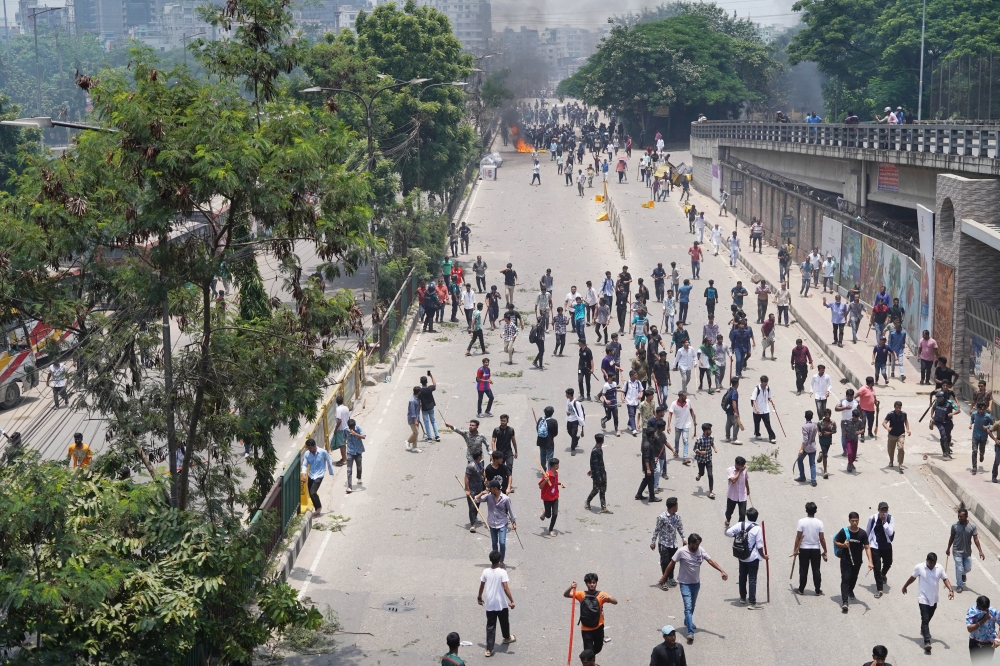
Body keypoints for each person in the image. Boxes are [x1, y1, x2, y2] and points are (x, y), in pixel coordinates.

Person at [657, 534, 729, 643]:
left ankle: (687, 621)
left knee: (692, 606)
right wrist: (664, 577)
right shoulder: (681, 551)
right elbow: (672, 563)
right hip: (685, 584)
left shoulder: (700, 550)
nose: (697, 546)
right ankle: (690, 632)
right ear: (690, 543)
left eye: (699, 544)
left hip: (696, 584)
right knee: (688, 607)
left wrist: (722, 570)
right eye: (695, 544)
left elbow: (710, 561)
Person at [901, 552, 953, 654]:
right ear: (926, 561)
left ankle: (923, 629)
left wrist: (951, 590)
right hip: (923, 598)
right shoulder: (919, 567)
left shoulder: (939, 567)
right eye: (930, 563)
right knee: (925, 619)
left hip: (934, 598)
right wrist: (905, 586)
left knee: (928, 617)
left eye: (934, 563)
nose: (932, 565)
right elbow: (912, 578)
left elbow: (945, 579)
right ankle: (927, 642)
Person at [725, 507, 768, 609]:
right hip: (752, 558)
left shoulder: (741, 524)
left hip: (742, 556)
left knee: (742, 577)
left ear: (747, 516)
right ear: (756, 517)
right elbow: (759, 546)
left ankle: (743, 597)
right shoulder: (757, 529)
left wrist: (737, 536)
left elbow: (728, 532)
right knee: (752, 579)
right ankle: (752, 602)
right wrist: (764, 556)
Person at [565, 574, 618, 656]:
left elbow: (615, 602)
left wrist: (608, 599)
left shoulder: (601, 594)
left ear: (596, 583)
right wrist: (571, 587)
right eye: (589, 583)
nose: (592, 584)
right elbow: (566, 595)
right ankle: (589, 661)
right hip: (586, 629)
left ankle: (590, 660)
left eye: (593, 582)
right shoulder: (581, 594)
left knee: (598, 648)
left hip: (598, 627)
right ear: (586, 584)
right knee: (588, 652)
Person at [478, 549, 516, 657]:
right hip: (501, 603)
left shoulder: (485, 571)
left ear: (490, 560)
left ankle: (489, 649)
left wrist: (479, 597)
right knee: (504, 622)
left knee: (491, 626)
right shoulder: (502, 572)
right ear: (499, 560)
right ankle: (507, 637)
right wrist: (512, 601)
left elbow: (482, 585)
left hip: (490, 603)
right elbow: (505, 588)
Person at [834, 512, 874, 613]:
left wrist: (870, 561)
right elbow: (836, 541)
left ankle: (850, 590)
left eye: (856, 520)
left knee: (854, 577)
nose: (855, 522)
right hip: (845, 560)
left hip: (857, 561)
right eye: (853, 521)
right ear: (849, 521)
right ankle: (844, 602)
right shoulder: (844, 531)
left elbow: (867, 547)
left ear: (859, 520)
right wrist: (843, 545)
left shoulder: (862, 533)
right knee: (845, 579)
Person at [476, 479, 517, 566]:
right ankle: (495, 561)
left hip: (502, 523)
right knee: (494, 543)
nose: (489, 490)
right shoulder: (488, 496)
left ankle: (501, 560)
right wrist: (482, 493)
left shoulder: (506, 499)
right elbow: (476, 499)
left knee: (502, 542)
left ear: (495, 488)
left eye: (490, 488)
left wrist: (514, 523)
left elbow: (511, 510)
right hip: (492, 524)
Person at [792, 501, 828, 595]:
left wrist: (795, 550)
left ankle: (801, 589)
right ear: (815, 511)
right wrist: (825, 550)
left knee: (803, 569)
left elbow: (798, 537)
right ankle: (817, 590)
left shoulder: (801, 521)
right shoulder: (819, 523)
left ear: (806, 510)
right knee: (816, 569)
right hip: (816, 549)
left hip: (804, 548)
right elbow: (822, 538)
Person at [948, 508, 987, 593]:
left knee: (968, 568)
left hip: (967, 552)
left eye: (961, 516)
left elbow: (976, 539)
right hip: (957, 551)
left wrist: (980, 551)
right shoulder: (955, 526)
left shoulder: (972, 526)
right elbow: (951, 538)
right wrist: (948, 548)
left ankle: (963, 574)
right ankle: (959, 585)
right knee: (959, 568)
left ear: (966, 516)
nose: (959, 518)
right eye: (958, 516)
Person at [651, 496, 686, 587]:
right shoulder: (662, 517)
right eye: (677, 504)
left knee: (672, 561)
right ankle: (664, 580)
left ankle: (671, 577)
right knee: (665, 562)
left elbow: (680, 528)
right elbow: (656, 529)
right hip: (664, 544)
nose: (678, 506)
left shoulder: (677, 516)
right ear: (673, 506)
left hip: (673, 544)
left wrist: (684, 538)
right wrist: (653, 542)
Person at [300, 437, 335, 514]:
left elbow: (329, 461)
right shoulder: (307, 454)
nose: (310, 450)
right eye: (308, 448)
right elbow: (305, 464)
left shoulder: (323, 452)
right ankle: (317, 508)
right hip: (311, 474)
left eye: (311, 448)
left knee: (313, 492)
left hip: (319, 474)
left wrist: (331, 472)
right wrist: (303, 474)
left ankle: (318, 508)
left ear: (314, 446)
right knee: (310, 492)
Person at [966, 595, 1000, 660]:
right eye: (981, 608)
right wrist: (984, 619)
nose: (983, 610)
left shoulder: (994, 612)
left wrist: (998, 638)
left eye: (985, 609)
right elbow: (969, 629)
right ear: (977, 605)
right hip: (975, 643)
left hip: (988, 644)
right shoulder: (972, 611)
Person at [636, 418, 662, 502]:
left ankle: (639, 494)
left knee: (647, 479)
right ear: (651, 435)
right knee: (650, 481)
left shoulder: (649, 441)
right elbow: (646, 458)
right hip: (648, 466)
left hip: (651, 464)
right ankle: (652, 497)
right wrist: (648, 469)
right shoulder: (647, 445)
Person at [930, 389, 961, 458]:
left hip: (948, 422)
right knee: (943, 436)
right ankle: (945, 452)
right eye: (937, 398)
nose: (938, 399)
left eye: (939, 398)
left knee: (948, 436)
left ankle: (948, 448)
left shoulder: (950, 403)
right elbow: (933, 408)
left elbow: (958, 410)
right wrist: (932, 415)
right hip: (939, 422)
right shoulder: (936, 403)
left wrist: (952, 413)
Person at [667, 391, 696, 464]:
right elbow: (670, 414)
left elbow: (691, 410)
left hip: (686, 425)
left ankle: (685, 457)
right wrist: (668, 425)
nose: (686, 397)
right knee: (677, 439)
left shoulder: (688, 402)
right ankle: (676, 450)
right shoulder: (674, 404)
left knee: (685, 441)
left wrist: (694, 420)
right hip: (678, 425)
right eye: (684, 396)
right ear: (680, 397)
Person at [586, 433, 612, 513]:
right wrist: (598, 476)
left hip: (602, 472)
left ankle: (603, 507)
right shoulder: (595, 451)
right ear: (602, 441)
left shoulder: (599, 449)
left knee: (603, 490)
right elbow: (594, 464)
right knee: (596, 490)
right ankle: (588, 501)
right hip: (598, 474)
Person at [538, 458, 564, 536]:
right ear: (555, 465)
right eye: (558, 464)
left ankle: (550, 530)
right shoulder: (547, 474)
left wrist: (561, 483)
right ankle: (545, 511)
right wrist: (545, 480)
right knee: (548, 515)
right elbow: (540, 486)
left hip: (555, 496)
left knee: (555, 514)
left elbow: (555, 482)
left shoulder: (556, 473)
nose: (558, 466)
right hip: (547, 497)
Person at [883, 400, 910, 472]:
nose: (898, 409)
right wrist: (887, 428)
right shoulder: (890, 414)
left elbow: (906, 421)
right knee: (891, 450)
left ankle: (900, 463)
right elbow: (884, 422)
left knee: (901, 448)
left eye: (900, 408)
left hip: (901, 433)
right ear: (894, 407)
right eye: (897, 407)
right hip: (892, 434)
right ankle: (891, 461)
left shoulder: (904, 414)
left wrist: (908, 429)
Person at [464, 450, 486, 532]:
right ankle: (472, 524)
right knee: (472, 507)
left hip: (479, 489)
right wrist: (467, 489)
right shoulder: (471, 466)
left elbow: (483, 472)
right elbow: (466, 478)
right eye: (481, 455)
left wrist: (485, 479)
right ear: (479, 456)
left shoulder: (480, 464)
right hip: (472, 490)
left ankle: (475, 518)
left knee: (477, 505)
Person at [750, 375, 777, 443]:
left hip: (765, 410)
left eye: (766, 382)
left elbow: (769, 397)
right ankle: (757, 433)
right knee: (756, 423)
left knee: (767, 423)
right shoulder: (757, 389)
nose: (766, 384)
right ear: (762, 382)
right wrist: (756, 409)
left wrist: (772, 402)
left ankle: (771, 437)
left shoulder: (767, 388)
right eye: (765, 383)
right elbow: (753, 400)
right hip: (758, 410)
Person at [724, 456, 749, 527]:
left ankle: (739, 528)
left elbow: (746, 479)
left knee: (742, 514)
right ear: (737, 465)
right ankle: (728, 519)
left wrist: (748, 489)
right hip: (732, 496)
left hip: (742, 495)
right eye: (742, 466)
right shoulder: (730, 470)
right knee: (729, 512)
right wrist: (740, 471)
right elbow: (733, 480)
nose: (743, 467)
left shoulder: (744, 470)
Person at [795, 410, 818, 486]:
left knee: (800, 460)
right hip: (813, 446)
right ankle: (813, 480)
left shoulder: (804, 427)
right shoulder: (815, 425)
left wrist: (801, 448)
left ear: (805, 417)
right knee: (812, 464)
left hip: (806, 447)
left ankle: (802, 476)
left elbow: (805, 439)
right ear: (812, 417)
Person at [971, 402, 994, 476]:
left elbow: (992, 424)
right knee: (974, 451)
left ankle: (982, 454)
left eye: (983, 410)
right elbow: (972, 419)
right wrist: (970, 424)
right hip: (975, 435)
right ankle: (974, 467)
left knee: (982, 450)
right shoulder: (974, 414)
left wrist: (987, 427)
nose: (981, 411)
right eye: (980, 409)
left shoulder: (988, 416)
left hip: (983, 436)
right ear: (977, 408)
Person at [491, 413, 518, 477]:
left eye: (504, 421)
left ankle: (509, 483)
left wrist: (516, 451)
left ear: (507, 421)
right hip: (499, 453)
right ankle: (502, 482)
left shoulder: (511, 430)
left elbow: (513, 441)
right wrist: (494, 452)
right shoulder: (496, 430)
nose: (502, 422)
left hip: (509, 452)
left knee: (509, 466)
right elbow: (493, 441)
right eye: (501, 420)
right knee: (500, 468)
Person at [344, 419, 365, 493]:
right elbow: (344, 436)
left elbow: (364, 436)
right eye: (350, 428)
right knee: (349, 469)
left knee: (359, 466)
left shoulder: (358, 428)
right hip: (350, 451)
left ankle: (359, 477)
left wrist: (355, 434)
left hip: (358, 450)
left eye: (352, 427)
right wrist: (345, 440)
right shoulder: (346, 430)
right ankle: (349, 487)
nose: (351, 429)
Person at [535, 406, 559, 470]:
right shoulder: (554, 421)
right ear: (552, 413)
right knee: (550, 457)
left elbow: (537, 429)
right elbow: (555, 433)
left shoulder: (541, 419)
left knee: (542, 455)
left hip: (541, 441)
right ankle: (549, 471)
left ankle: (543, 469)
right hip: (549, 442)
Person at [419, 374, 440, 442]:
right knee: (433, 421)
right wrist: (431, 376)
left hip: (424, 409)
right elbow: (434, 384)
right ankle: (437, 436)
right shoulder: (430, 388)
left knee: (426, 422)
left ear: (421, 382)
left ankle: (429, 437)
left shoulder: (420, 391)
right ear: (427, 382)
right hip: (431, 407)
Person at [406, 386, 423, 453]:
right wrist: (415, 420)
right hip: (413, 419)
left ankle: (414, 447)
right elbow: (413, 411)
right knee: (416, 432)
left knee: (415, 433)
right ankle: (408, 441)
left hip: (416, 418)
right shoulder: (412, 401)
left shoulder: (416, 398)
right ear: (418, 392)